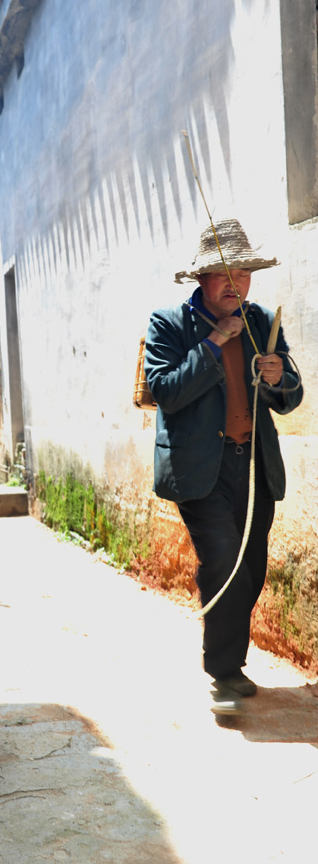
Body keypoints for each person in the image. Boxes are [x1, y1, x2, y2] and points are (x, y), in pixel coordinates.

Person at [144, 218, 302, 714]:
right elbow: (164, 391)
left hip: (253, 466)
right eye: (223, 274)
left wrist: (279, 376)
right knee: (223, 559)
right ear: (201, 280)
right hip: (200, 470)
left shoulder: (259, 322)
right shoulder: (169, 323)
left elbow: (289, 397)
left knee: (251, 566)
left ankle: (229, 658)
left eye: (244, 273)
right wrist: (213, 344)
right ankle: (225, 673)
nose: (237, 285)